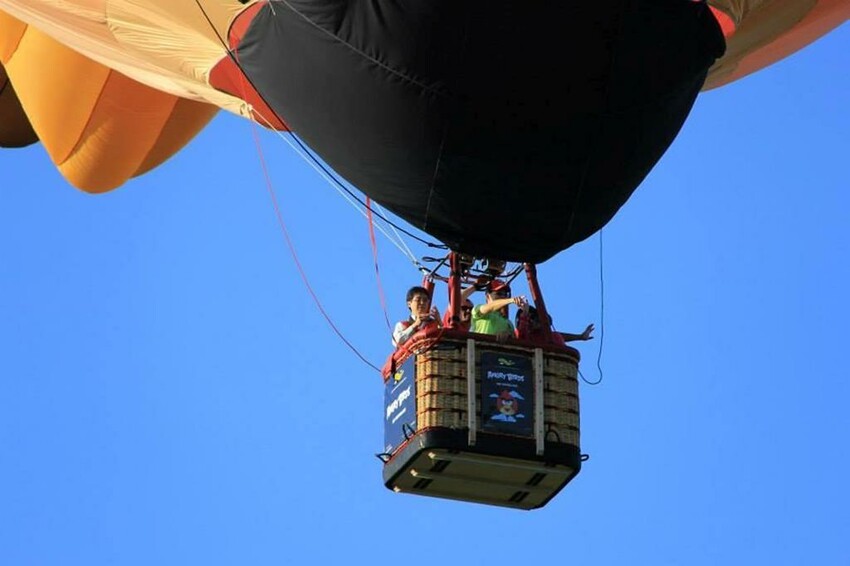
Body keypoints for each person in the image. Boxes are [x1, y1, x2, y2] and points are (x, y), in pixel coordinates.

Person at [515, 305, 594, 345]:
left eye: (534, 318)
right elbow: (521, 333)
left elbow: (561, 336)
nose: (532, 321)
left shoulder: (546, 336)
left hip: (551, 366)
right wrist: (524, 316)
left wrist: (580, 337)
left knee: (556, 336)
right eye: (530, 318)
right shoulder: (520, 335)